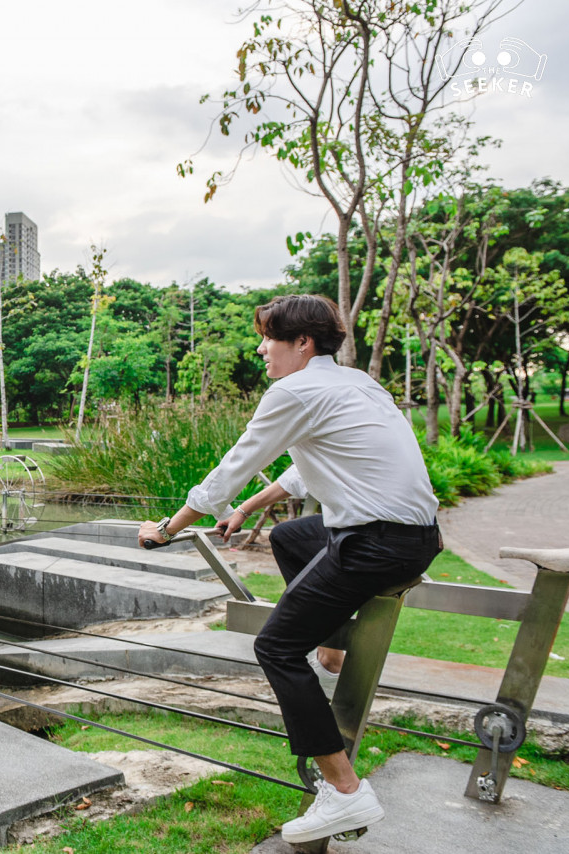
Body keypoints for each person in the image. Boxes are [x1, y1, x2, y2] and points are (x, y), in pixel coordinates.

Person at [137, 294, 440, 844]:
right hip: (414, 538)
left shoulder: (294, 389)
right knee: (293, 533)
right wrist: (251, 509)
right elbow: (306, 471)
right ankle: (329, 656)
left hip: (376, 545)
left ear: (302, 343)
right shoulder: (355, 385)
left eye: (268, 338)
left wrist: (168, 528)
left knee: (275, 646)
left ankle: (346, 793)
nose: (260, 348)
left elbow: (230, 469)